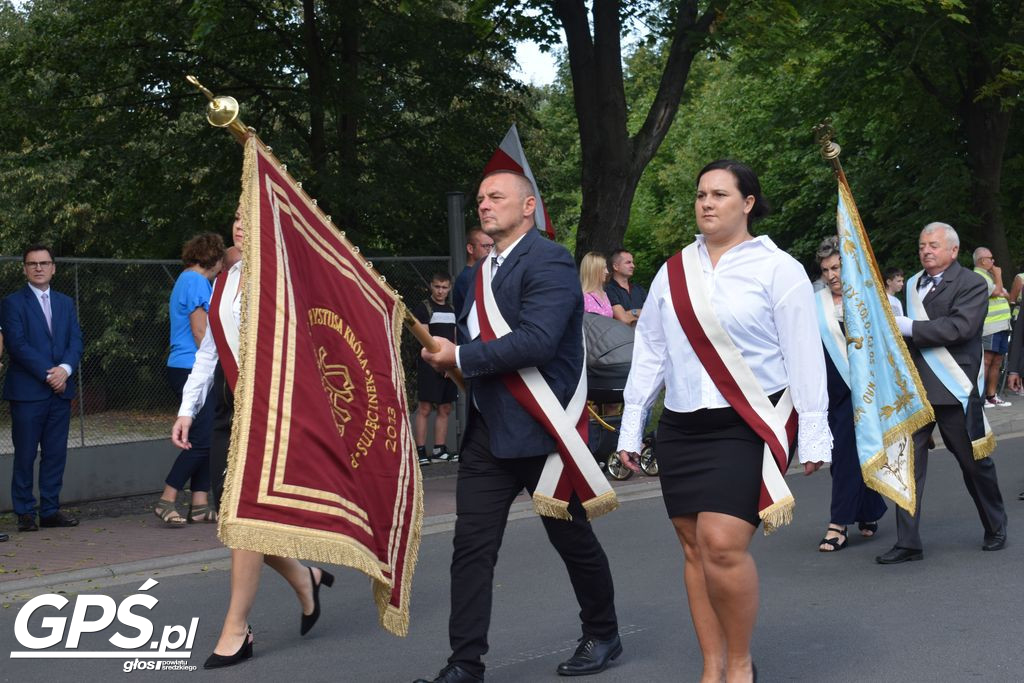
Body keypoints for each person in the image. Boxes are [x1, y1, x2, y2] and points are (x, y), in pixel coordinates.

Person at [616, 160, 830, 683]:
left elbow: (804, 353)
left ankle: (739, 664)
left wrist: (816, 432)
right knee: (693, 546)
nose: (706, 203)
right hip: (683, 425)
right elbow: (650, 353)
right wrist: (631, 425)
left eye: (719, 194)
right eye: (700, 195)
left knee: (721, 543)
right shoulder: (673, 271)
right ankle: (711, 664)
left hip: (748, 423)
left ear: (747, 203)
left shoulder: (778, 268)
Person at [417, 171, 621, 683]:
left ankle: (603, 632)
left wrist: (461, 354)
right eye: (481, 198)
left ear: (528, 206)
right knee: (471, 549)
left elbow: (537, 342)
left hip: (542, 430)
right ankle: (464, 664)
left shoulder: (549, 260)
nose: (484, 205)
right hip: (488, 431)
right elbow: (473, 346)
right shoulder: (475, 275)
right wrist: (452, 360)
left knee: (571, 539)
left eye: (496, 197)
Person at [171, 209, 333, 668]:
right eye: (236, 217)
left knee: (245, 519)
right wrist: (187, 409)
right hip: (229, 407)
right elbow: (209, 352)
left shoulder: (284, 277)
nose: (240, 225)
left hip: (272, 408)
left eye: (251, 215)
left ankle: (236, 629)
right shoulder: (224, 278)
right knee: (231, 517)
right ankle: (305, 577)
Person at [882, 222, 1008, 563]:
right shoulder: (911, 285)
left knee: (973, 463)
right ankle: (908, 542)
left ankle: (995, 524)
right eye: (922, 245)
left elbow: (960, 328)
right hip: (916, 390)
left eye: (934, 245)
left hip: (953, 387)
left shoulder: (971, 283)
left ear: (953, 250)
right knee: (908, 466)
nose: (926, 250)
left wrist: (909, 326)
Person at [3, 244, 84, 533]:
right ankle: (25, 512)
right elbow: (17, 344)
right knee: (25, 453)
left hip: (60, 390)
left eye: (44, 263)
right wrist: (48, 373)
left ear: (53, 267)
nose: (39, 267)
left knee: (55, 453)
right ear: (24, 268)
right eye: (32, 263)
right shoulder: (12, 303)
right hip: (27, 392)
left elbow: (75, 341)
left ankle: (50, 510)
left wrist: (65, 370)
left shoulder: (65, 302)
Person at [813, 237, 887, 552]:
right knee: (847, 454)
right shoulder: (816, 304)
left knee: (849, 454)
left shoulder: (868, 298)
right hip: (834, 391)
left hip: (867, 390)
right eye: (826, 269)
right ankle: (869, 510)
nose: (831, 275)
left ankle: (838, 523)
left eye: (837, 267)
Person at [156, 233, 225, 527]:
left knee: (206, 435)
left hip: (182, 365)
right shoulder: (198, 282)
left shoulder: (186, 279)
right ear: (215, 258)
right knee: (201, 437)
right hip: (191, 367)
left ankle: (199, 504)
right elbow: (200, 332)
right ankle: (166, 499)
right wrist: (212, 367)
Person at [413, 272, 458, 466]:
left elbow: (455, 339)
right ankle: (420, 451)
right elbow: (425, 339)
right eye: (437, 287)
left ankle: (440, 449)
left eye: (444, 287)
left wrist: (452, 363)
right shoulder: (424, 308)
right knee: (424, 408)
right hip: (429, 364)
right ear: (431, 286)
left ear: (449, 288)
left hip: (449, 366)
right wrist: (438, 362)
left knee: (445, 408)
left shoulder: (453, 309)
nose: (441, 291)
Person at [972, 247, 1013, 407]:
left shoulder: (988, 275)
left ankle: (992, 395)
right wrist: (998, 276)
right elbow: (997, 292)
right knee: (987, 361)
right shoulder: (979, 275)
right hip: (990, 326)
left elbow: (1007, 294)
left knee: (997, 361)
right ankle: (980, 396)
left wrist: (999, 289)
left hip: (1002, 324)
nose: (993, 261)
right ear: (982, 260)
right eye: (991, 258)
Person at [452, 227, 495, 315]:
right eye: (486, 246)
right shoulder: (468, 278)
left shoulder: (481, 274)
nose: (491, 251)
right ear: (470, 249)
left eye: (492, 246)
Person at [605, 249, 647, 326]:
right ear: (615, 266)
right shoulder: (608, 290)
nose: (633, 266)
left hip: (644, 336)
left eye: (632, 262)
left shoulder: (639, 289)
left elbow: (652, 314)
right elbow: (622, 319)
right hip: (623, 337)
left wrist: (628, 313)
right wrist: (637, 312)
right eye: (628, 262)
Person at [580, 252, 613, 317]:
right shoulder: (584, 298)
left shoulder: (604, 294)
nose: (607, 272)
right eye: (603, 268)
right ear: (594, 271)